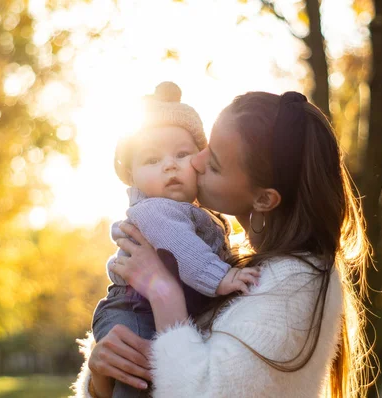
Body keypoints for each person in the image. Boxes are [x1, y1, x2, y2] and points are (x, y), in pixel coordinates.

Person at [73, 91, 374, 398]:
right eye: (207, 147)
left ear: (264, 198)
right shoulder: (237, 259)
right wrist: (101, 377)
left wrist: (163, 291)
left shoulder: (294, 283)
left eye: (214, 162)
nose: (195, 162)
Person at [92, 81, 261, 397]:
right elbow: (181, 247)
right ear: (133, 177)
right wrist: (222, 277)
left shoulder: (200, 213)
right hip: (132, 309)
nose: (169, 164)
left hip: (155, 307)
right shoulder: (155, 211)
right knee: (138, 374)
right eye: (152, 161)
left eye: (182, 154)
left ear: (201, 160)